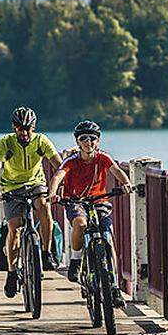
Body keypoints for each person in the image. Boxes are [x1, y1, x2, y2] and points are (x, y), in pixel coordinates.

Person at [48, 120, 131, 308]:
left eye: (92, 138)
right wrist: (53, 194)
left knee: (108, 239)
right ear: (77, 142)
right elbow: (58, 176)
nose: (88, 142)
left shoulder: (103, 158)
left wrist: (126, 184)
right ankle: (76, 260)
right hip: (76, 201)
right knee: (80, 224)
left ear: (98, 141)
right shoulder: (72, 160)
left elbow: (116, 170)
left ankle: (114, 287)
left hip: (99, 201)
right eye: (83, 138)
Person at [0, 106, 63, 298]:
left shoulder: (41, 141)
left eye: (28, 128)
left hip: (36, 184)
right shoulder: (6, 142)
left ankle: (47, 253)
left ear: (34, 126)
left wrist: (63, 184)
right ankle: (12, 272)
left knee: (44, 207)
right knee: (14, 228)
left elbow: (59, 165)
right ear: (14, 127)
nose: (24, 132)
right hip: (11, 187)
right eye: (20, 128)